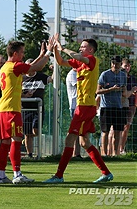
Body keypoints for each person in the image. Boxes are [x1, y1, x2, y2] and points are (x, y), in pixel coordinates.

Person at [44, 35, 113, 183]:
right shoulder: (79, 63)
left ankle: (59, 176)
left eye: (83, 46)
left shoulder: (92, 60)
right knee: (84, 142)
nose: (80, 48)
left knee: (70, 140)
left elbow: (77, 57)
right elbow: (61, 62)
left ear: (91, 50)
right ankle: (106, 173)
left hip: (84, 108)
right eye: (80, 46)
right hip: (84, 107)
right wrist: (56, 49)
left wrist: (63, 48)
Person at [0, 40, 53, 184]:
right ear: (15, 54)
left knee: (5, 142)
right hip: (12, 109)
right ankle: (17, 173)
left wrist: (40, 55)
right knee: (16, 139)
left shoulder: (5, 66)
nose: (23, 55)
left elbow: (28, 67)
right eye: (22, 52)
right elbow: (37, 67)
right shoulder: (16, 66)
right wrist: (48, 52)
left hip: (2, 109)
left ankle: (2, 175)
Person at [22, 58, 52, 158]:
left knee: (35, 131)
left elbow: (51, 79)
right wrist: (24, 95)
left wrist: (54, 70)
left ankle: (35, 150)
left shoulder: (41, 76)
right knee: (27, 133)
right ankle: (30, 154)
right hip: (25, 108)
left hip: (37, 108)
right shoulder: (21, 78)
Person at [96, 55, 127, 157]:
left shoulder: (123, 75)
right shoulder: (105, 74)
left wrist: (123, 91)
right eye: (113, 63)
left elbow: (124, 91)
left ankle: (115, 153)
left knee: (118, 131)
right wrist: (111, 89)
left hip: (118, 107)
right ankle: (104, 154)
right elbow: (98, 91)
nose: (115, 65)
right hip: (106, 107)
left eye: (117, 63)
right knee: (105, 131)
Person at [119, 58, 137, 154]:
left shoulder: (133, 79)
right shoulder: (118, 77)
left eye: (129, 66)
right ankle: (115, 148)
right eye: (125, 66)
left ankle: (122, 148)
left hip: (131, 105)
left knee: (127, 127)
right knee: (117, 127)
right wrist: (130, 92)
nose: (127, 68)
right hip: (121, 105)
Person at [65, 68, 82, 159]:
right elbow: (80, 87)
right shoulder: (72, 74)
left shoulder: (79, 73)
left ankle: (77, 153)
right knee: (75, 131)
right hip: (75, 106)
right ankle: (72, 152)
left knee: (79, 130)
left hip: (80, 106)